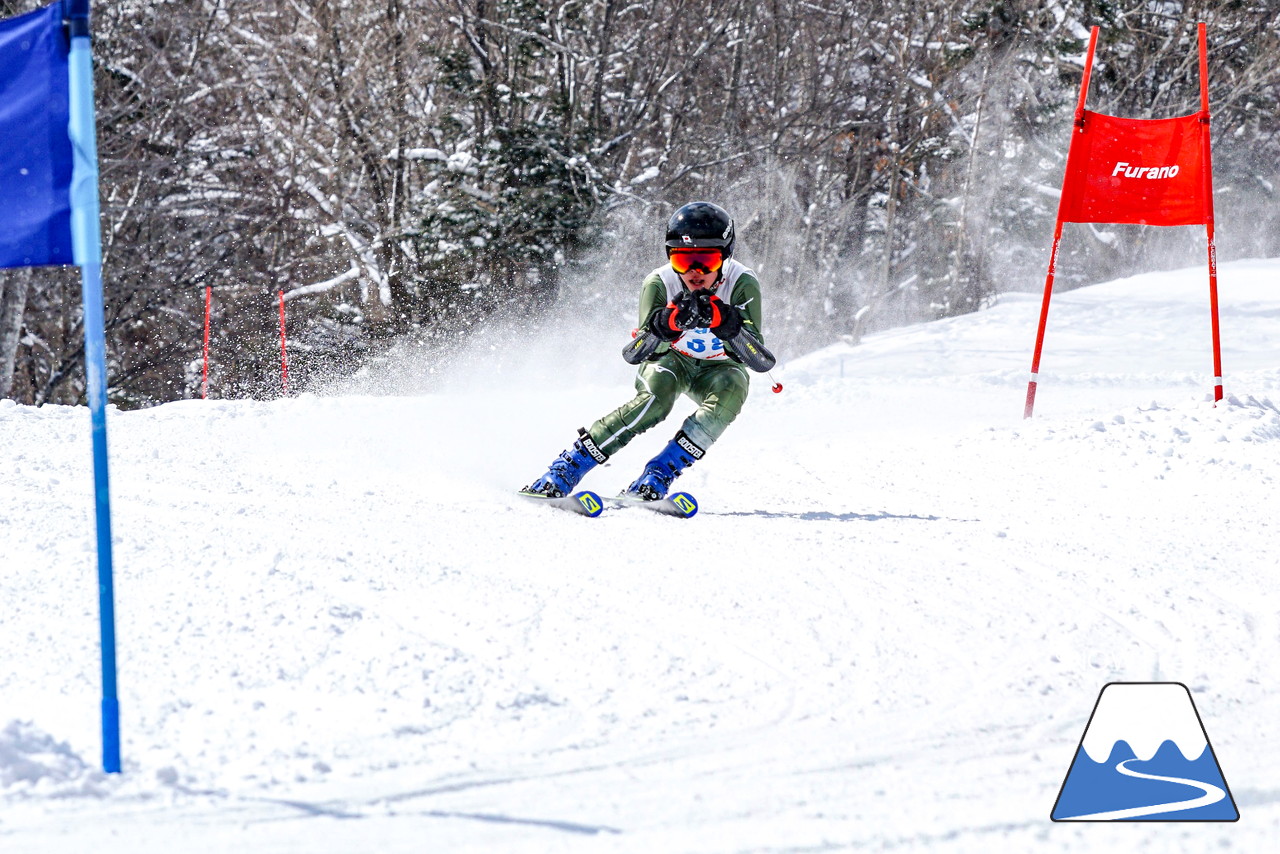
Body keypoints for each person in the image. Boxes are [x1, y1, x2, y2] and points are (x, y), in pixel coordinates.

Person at [523, 201, 774, 501]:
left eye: (706, 260)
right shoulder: (660, 282)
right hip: (672, 361)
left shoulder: (742, 283)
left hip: (719, 368)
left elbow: (757, 360)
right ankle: (567, 468)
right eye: (683, 261)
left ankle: (658, 474)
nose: (695, 272)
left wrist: (727, 324)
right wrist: (665, 326)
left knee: (730, 395)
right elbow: (636, 354)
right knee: (655, 402)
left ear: (725, 257)